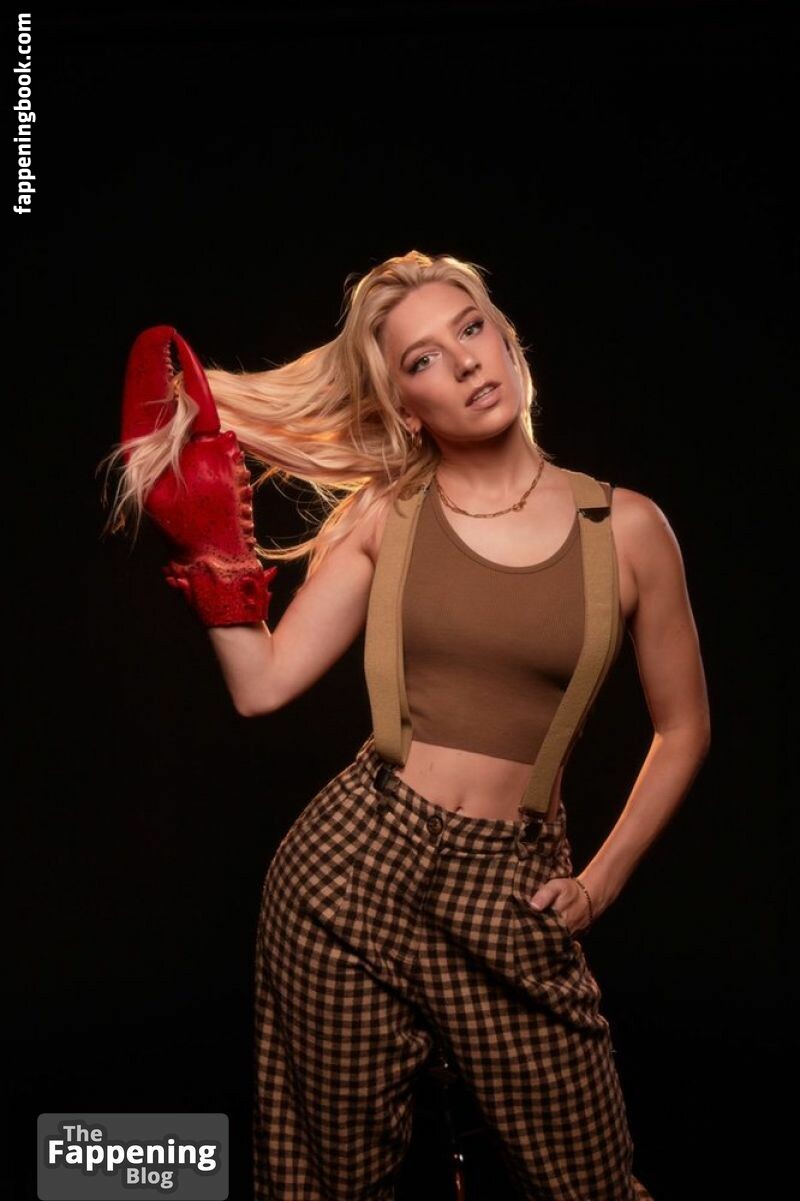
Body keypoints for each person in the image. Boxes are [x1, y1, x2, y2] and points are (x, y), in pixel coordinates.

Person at [102, 250, 710, 1201]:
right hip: (350, 869)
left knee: (590, 1183)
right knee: (327, 1185)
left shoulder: (626, 528)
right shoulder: (388, 515)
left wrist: (598, 884)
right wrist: (217, 556)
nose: (464, 361)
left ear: (506, 338)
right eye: (423, 358)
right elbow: (262, 687)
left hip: (511, 885)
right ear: (405, 404)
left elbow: (684, 728)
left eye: (471, 328)